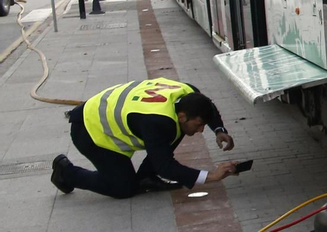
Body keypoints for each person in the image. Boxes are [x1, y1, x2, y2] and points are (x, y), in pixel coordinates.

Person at [51, 79, 238, 199]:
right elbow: (165, 166)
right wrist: (211, 176)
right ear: (182, 116)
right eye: (198, 124)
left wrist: (219, 130)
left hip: (109, 115)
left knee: (179, 131)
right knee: (123, 188)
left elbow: (207, 106)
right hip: (89, 130)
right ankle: (66, 172)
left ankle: (146, 177)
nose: (200, 130)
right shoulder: (158, 122)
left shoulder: (188, 92)